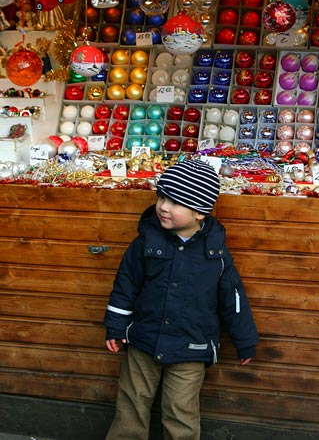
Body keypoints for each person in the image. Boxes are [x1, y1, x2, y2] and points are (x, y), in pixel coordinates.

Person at [103, 158, 259, 440]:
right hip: (143, 341)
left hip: (192, 347)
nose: (163, 206)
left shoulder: (216, 255)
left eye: (176, 202)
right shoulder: (146, 243)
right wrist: (115, 326)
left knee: (181, 413)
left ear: (200, 213)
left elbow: (233, 300)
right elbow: (125, 285)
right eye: (162, 196)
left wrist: (245, 341)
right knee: (131, 406)